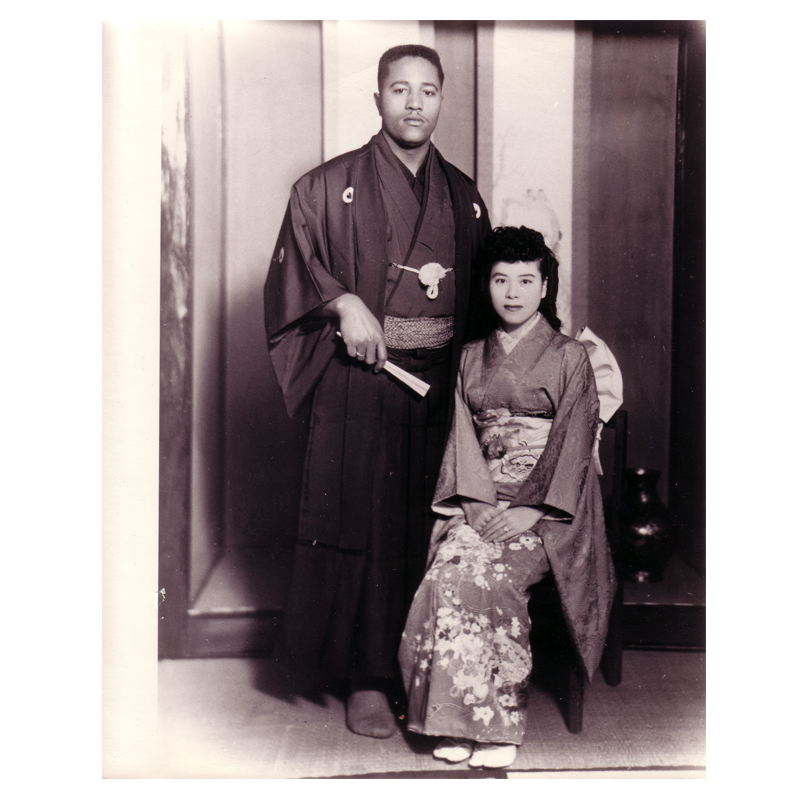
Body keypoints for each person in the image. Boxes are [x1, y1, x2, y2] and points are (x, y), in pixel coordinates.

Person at [263, 44, 491, 738]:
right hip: (359, 380)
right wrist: (341, 303)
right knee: (360, 521)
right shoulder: (326, 186)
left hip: (438, 381)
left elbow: (487, 290)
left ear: (441, 101)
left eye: (428, 90)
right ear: (377, 99)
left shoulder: (462, 193)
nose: (414, 103)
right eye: (399, 89)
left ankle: (423, 669)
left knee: (427, 523)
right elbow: (297, 269)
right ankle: (365, 676)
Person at [398, 226, 617, 769]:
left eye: (526, 280)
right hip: (480, 499)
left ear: (546, 287)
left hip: (550, 512)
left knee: (492, 576)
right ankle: (453, 721)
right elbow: (462, 438)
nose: (513, 292)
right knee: (449, 571)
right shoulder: (472, 357)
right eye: (501, 280)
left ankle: (498, 724)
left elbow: (573, 443)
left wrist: (530, 508)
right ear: (486, 286)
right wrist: (473, 502)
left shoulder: (570, 358)